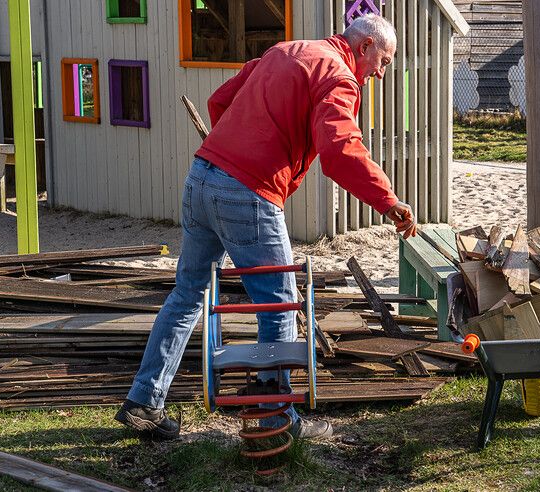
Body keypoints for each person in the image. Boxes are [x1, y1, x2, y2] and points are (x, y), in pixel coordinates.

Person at [115, 13, 417, 440]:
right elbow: (339, 150)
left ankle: (144, 402)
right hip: (247, 192)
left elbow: (220, 100)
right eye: (383, 61)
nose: (382, 74)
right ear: (364, 46)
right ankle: (276, 418)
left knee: (187, 295)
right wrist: (387, 200)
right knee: (279, 304)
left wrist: (238, 148)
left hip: (202, 176)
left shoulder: (286, 51)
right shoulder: (339, 74)